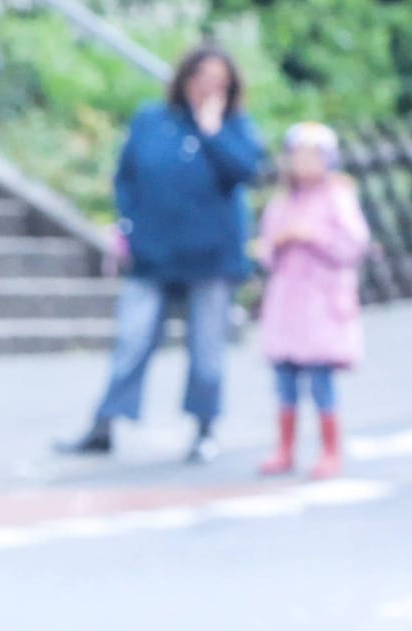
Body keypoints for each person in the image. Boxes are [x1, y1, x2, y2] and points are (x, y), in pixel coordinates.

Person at [57, 43, 265, 463]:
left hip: (211, 259)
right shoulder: (152, 120)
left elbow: (246, 172)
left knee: (207, 352)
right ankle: (106, 423)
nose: (208, 88)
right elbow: (127, 176)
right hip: (153, 255)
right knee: (132, 340)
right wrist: (129, 226)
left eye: (218, 82)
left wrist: (213, 132)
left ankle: (205, 426)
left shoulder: (235, 127)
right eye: (201, 78)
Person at [253, 122, 371, 480]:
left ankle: (330, 450)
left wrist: (313, 237)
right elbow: (265, 249)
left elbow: (354, 244)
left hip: (322, 302)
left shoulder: (338, 196)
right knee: (284, 380)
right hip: (287, 302)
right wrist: (277, 244)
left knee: (322, 381)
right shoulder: (283, 200)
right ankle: (285, 448)